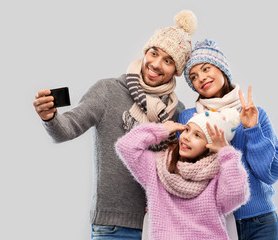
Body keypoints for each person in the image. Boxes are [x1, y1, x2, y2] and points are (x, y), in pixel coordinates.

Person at [32, 10, 197, 240]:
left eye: (168, 60)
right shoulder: (108, 91)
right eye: (154, 53)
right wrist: (49, 117)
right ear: (146, 51)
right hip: (113, 227)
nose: (156, 64)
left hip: (161, 227)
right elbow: (66, 130)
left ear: (176, 70)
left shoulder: (177, 112)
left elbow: (180, 170)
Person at [178, 39, 278, 240]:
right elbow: (183, 173)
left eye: (206, 69)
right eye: (194, 76)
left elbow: (269, 174)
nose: (201, 78)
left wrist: (252, 129)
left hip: (259, 221)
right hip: (211, 223)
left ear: (222, 70)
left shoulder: (254, 114)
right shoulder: (189, 119)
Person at [115, 109, 250, 240]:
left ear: (210, 146)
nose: (186, 137)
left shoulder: (219, 175)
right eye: (187, 129)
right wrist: (162, 129)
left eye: (197, 135)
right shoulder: (157, 167)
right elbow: (126, 146)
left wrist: (227, 153)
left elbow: (235, 197)